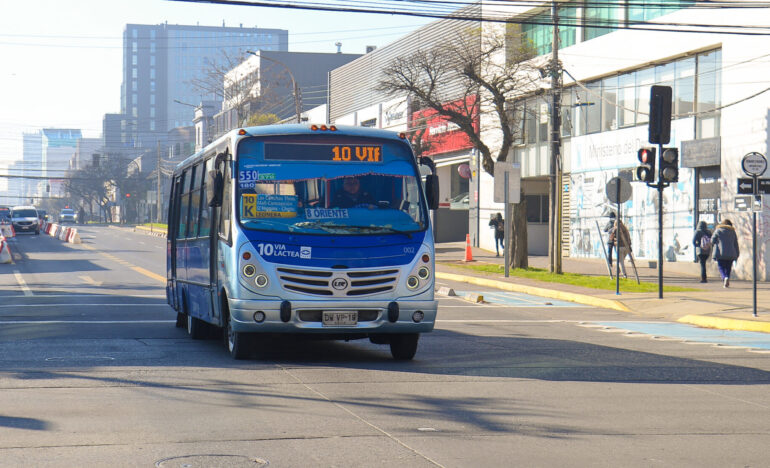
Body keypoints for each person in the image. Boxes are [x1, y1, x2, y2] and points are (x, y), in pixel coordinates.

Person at [711, 219, 740, 287]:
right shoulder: (732, 232)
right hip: (731, 253)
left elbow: (712, 240)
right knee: (728, 267)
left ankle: (724, 277)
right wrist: (737, 253)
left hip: (721, 253)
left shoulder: (718, 230)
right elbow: (735, 243)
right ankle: (727, 277)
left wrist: (716, 244)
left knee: (721, 266)